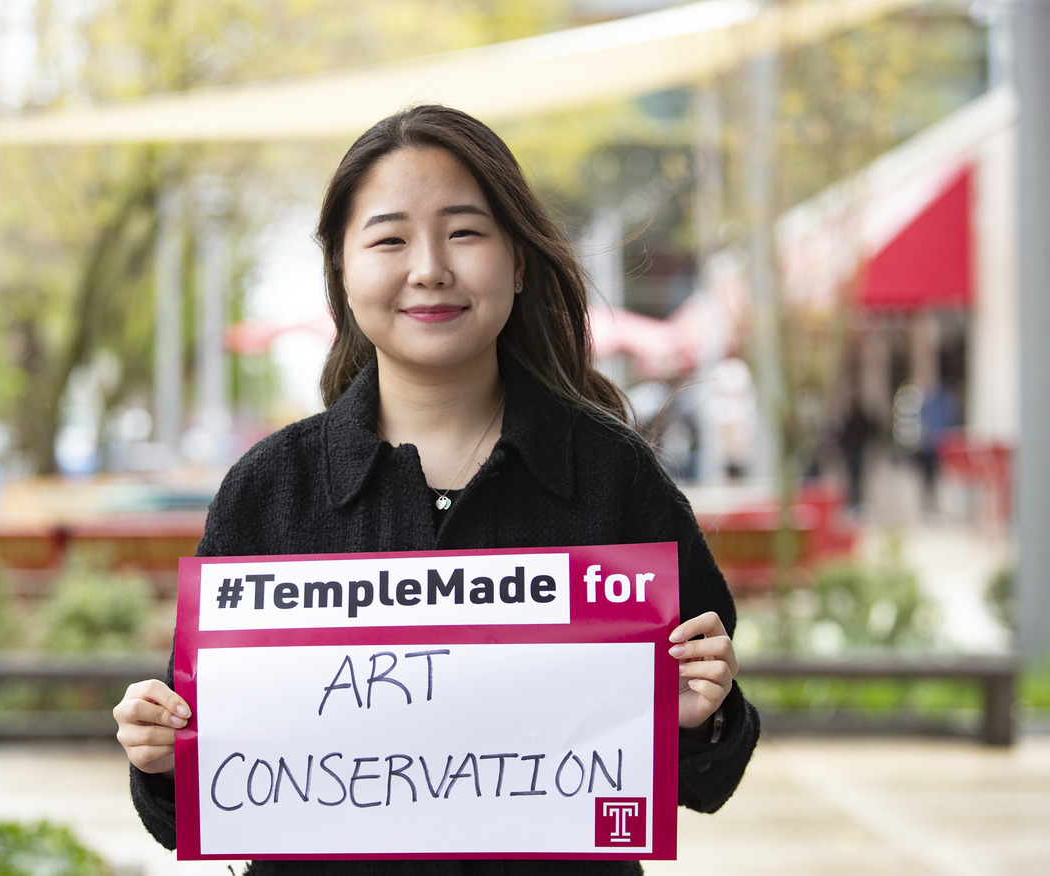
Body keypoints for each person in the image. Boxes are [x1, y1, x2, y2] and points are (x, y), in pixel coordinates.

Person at [114, 105, 760, 875]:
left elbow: (702, 773)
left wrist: (699, 717)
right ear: (341, 271)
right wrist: (162, 751)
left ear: (517, 261)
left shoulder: (613, 475)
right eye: (388, 239)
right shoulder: (269, 490)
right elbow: (203, 779)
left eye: (464, 232)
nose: (429, 268)